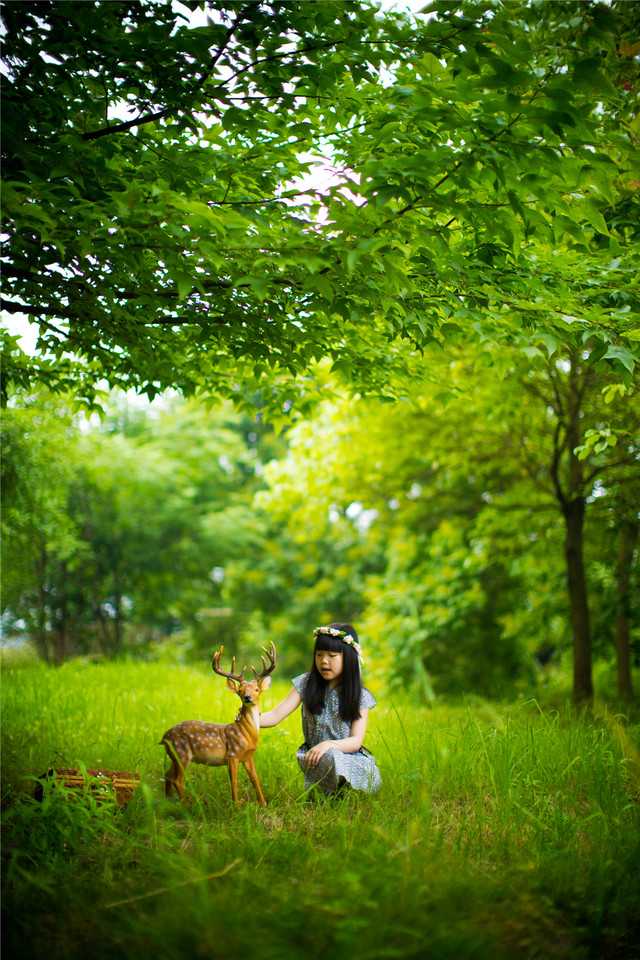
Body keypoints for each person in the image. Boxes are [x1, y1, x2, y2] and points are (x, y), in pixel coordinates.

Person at [259, 623, 382, 796]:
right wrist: (249, 719)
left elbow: (356, 740)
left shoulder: (359, 695)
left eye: (332, 655)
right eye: (319, 655)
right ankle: (325, 792)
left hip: (349, 759)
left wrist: (328, 744)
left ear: (349, 658)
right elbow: (275, 715)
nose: (324, 661)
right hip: (315, 757)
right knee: (324, 762)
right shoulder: (306, 683)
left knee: (331, 756)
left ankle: (346, 792)